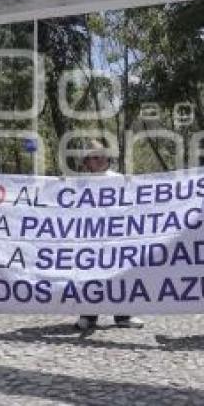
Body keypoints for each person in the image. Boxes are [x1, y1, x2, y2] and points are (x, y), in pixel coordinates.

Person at [74, 140, 144, 331]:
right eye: (93, 158)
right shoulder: (79, 184)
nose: (98, 160)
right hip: (90, 239)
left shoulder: (120, 179)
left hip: (116, 239)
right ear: (86, 162)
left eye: (101, 156)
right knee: (90, 277)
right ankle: (88, 315)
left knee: (119, 275)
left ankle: (123, 316)